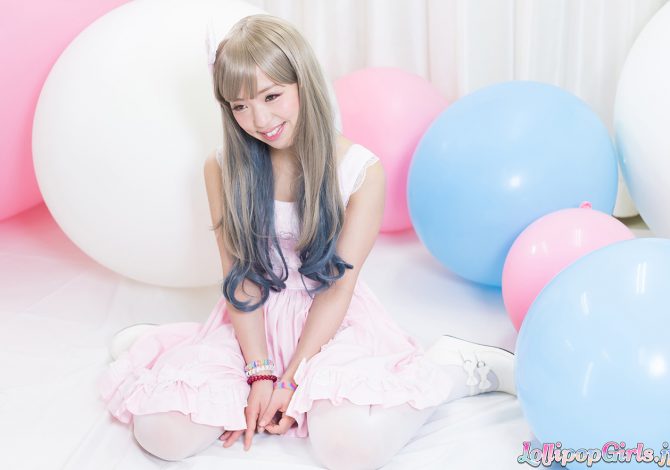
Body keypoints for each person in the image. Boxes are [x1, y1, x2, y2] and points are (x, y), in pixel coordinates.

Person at [98, 14, 516, 469]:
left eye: (271, 96)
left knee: (347, 448)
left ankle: (454, 370)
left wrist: (292, 378)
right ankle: (168, 349)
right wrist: (260, 374)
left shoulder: (359, 171)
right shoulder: (222, 168)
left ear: (303, 83)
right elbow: (240, 279)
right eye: (239, 106)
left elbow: (338, 288)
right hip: (252, 321)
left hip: (330, 319)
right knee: (161, 434)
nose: (259, 120)